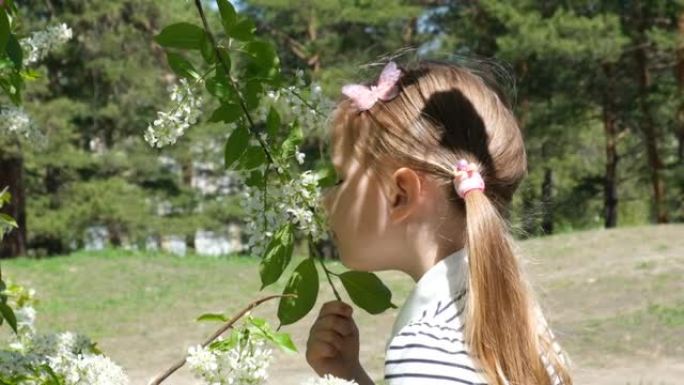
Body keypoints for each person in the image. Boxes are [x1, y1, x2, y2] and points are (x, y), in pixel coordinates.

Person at [305, 59, 573, 385]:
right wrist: (350, 375)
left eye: (340, 179)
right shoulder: (516, 321)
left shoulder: (425, 345)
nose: (325, 198)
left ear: (400, 194)